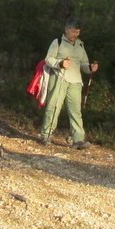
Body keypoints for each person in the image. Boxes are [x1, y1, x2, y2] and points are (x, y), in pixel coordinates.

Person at [40, 19, 99, 149]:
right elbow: (48, 59)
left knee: (76, 111)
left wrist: (90, 68)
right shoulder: (58, 42)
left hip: (76, 82)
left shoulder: (80, 45)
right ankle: (46, 135)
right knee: (54, 107)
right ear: (66, 30)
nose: (75, 34)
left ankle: (78, 140)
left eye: (78, 32)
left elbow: (83, 64)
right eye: (73, 31)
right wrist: (60, 63)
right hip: (59, 78)